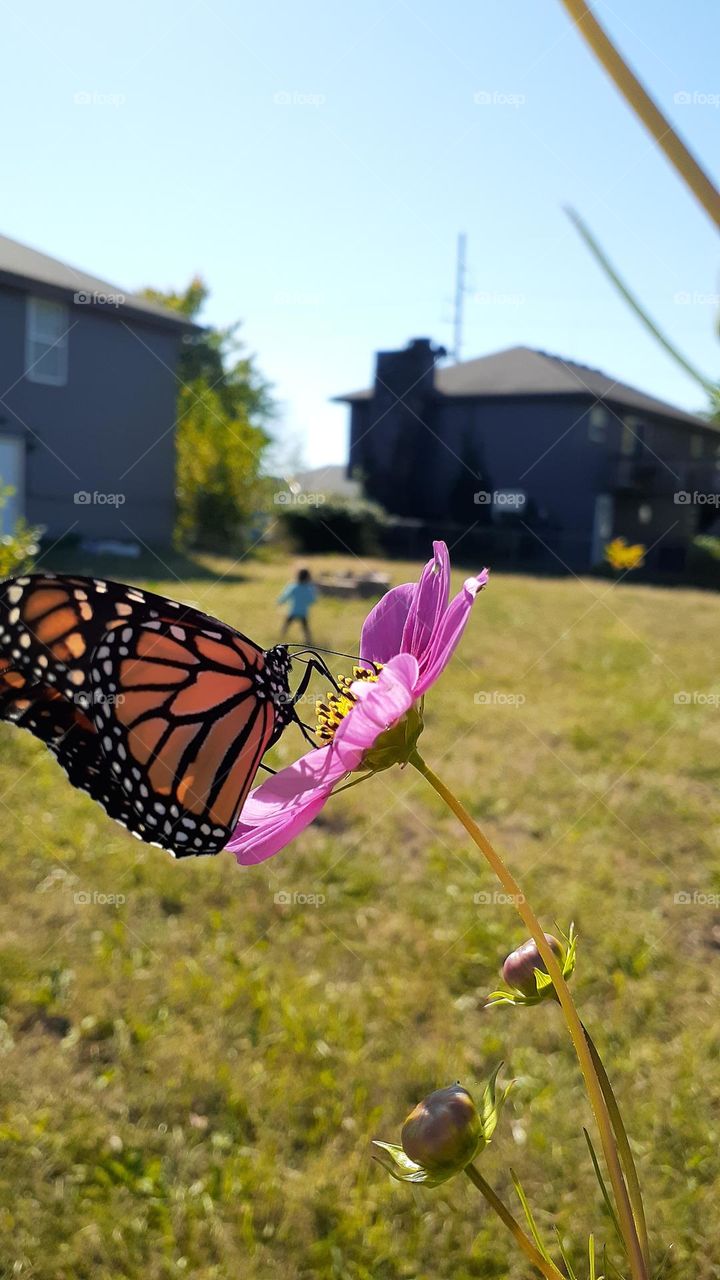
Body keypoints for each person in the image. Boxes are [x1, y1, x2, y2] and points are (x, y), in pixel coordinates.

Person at [278, 567, 317, 644]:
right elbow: (312, 600)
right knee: (305, 627)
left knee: (286, 624)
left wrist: (280, 601)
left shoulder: (293, 586)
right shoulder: (308, 588)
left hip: (293, 610)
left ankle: (281, 636)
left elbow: (286, 595)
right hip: (303, 612)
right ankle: (308, 640)